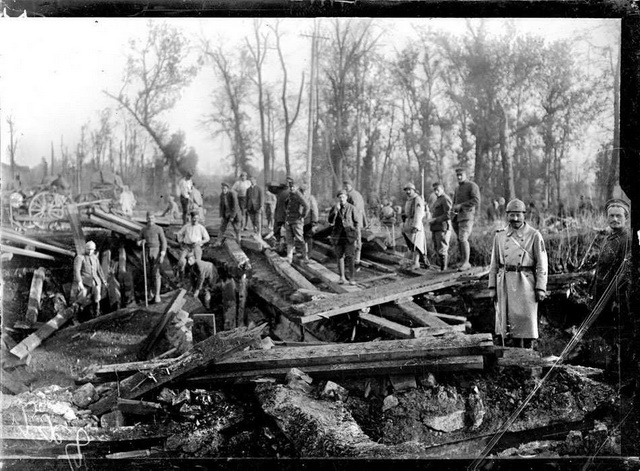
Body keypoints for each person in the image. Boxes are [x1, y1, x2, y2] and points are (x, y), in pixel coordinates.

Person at [487, 199, 548, 349]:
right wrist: (492, 287)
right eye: (511, 215)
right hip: (505, 284)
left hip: (525, 284)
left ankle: (528, 359)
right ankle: (512, 362)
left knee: (526, 325)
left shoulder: (534, 235)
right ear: (507, 215)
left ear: (524, 215)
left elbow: (542, 264)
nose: (514, 219)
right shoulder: (500, 236)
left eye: (518, 215)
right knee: (507, 327)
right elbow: (494, 263)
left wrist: (540, 287)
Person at [588, 199, 632, 374]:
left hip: (616, 298)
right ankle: (610, 369)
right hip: (601, 295)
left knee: (619, 335)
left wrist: (617, 298)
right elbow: (601, 268)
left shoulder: (627, 239)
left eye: (618, 216)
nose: (614, 219)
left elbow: (625, 274)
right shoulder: (609, 238)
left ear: (626, 218)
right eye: (611, 216)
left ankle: (619, 373)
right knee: (606, 333)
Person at [452, 166, 481, 271]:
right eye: (457, 175)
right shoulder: (457, 188)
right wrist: (453, 211)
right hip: (457, 217)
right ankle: (462, 261)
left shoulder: (472, 186)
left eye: (461, 175)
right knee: (460, 239)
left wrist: (462, 206)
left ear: (466, 175)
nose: (459, 177)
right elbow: (454, 202)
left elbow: (476, 200)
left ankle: (466, 262)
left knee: (463, 238)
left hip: (467, 216)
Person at [328, 190, 359, 285]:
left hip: (349, 237)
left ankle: (352, 278)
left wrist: (356, 236)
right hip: (338, 236)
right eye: (340, 197)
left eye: (343, 197)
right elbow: (330, 220)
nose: (341, 199)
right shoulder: (335, 208)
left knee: (350, 256)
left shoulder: (352, 208)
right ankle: (342, 277)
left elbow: (357, 223)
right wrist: (335, 211)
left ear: (346, 198)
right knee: (339, 256)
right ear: (338, 198)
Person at [137, 211, 167, 304]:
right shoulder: (143, 230)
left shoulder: (159, 229)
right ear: (146, 219)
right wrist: (141, 242)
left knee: (156, 274)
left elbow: (164, 243)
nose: (150, 220)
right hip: (146, 252)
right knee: (148, 273)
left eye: (152, 218)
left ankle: (157, 294)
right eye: (149, 218)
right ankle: (150, 294)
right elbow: (138, 241)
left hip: (156, 251)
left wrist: (162, 254)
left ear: (155, 219)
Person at [72, 241, 108, 317]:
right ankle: (77, 316)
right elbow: (77, 271)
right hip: (85, 281)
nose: (90, 251)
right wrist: (79, 282)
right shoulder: (80, 257)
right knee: (81, 298)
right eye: (88, 249)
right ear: (85, 248)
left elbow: (99, 270)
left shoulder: (95, 258)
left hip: (96, 282)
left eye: (92, 250)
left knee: (97, 298)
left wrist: (104, 280)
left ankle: (96, 315)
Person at [402, 183, 430, 270]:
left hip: (415, 223)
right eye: (406, 190)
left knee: (416, 244)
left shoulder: (417, 199)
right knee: (411, 244)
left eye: (409, 190)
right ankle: (414, 261)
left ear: (413, 190)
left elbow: (419, 213)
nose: (408, 192)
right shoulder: (409, 200)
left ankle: (416, 262)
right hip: (408, 222)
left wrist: (416, 226)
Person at [176, 211, 210, 277]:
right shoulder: (186, 226)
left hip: (196, 246)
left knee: (197, 263)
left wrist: (200, 242)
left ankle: (197, 277)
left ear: (198, 219)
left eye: (197, 218)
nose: (195, 220)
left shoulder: (201, 227)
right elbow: (179, 234)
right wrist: (181, 241)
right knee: (181, 261)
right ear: (191, 218)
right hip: (187, 247)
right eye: (194, 218)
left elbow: (207, 238)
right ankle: (181, 278)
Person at [284, 178, 310, 263]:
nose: (291, 188)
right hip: (289, 220)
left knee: (299, 239)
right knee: (289, 240)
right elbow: (286, 205)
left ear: (297, 187)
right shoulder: (290, 194)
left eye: (293, 187)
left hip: (296, 221)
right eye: (290, 187)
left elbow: (306, 206)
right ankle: (289, 258)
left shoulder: (298, 195)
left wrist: (302, 216)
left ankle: (305, 256)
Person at [428, 182, 452, 271]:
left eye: (437, 190)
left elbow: (449, 214)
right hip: (436, 228)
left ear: (442, 189)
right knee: (437, 249)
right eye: (434, 190)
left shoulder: (445, 199)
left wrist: (436, 220)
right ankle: (441, 269)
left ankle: (443, 269)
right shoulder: (438, 200)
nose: (436, 192)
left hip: (443, 228)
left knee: (442, 249)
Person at [343, 179, 368, 265]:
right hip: (357, 220)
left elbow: (354, 209)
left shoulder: (352, 195)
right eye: (344, 185)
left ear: (351, 185)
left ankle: (354, 260)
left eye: (347, 185)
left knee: (354, 239)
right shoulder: (357, 194)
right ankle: (355, 259)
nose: (345, 187)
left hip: (354, 221)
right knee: (355, 239)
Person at [270, 178, 292, 249]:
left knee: (280, 230)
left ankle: (281, 245)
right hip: (282, 214)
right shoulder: (282, 191)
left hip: (283, 214)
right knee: (280, 230)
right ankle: (281, 245)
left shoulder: (287, 192)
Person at [300, 184, 319, 261]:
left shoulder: (311, 199)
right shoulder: (299, 198)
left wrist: (314, 222)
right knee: (302, 238)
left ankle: (309, 255)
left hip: (308, 222)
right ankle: (304, 254)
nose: (303, 192)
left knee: (308, 238)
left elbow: (315, 210)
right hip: (300, 222)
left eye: (304, 190)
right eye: (302, 190)